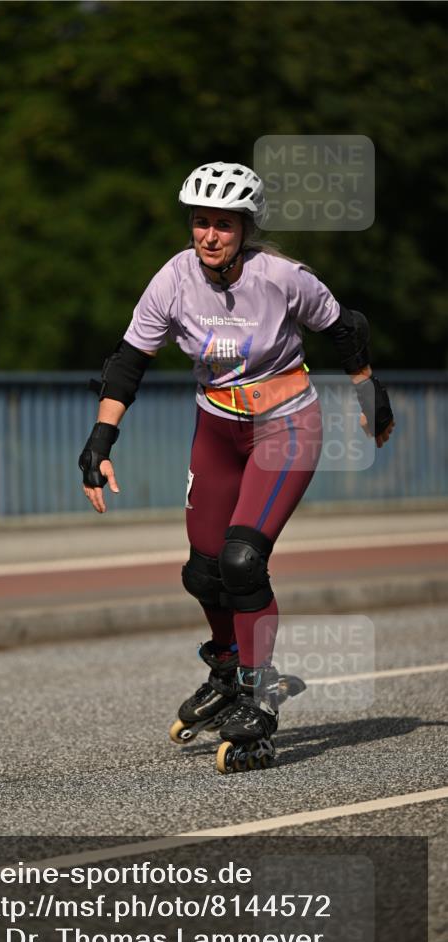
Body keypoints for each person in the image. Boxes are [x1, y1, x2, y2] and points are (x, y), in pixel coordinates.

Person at [79, 161, 394, 774]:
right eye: (201, 222)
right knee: (202, 572)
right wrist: (100, 438)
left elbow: (344, 326)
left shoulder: (282, 277)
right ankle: (227, 667)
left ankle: (259, 691)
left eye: (223, 225)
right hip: (217, 429)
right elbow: (128, 361)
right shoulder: (172, 279)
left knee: (242, 561)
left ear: (246, 228)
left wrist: (368, 391)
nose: (209, 236)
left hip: (286, 427)